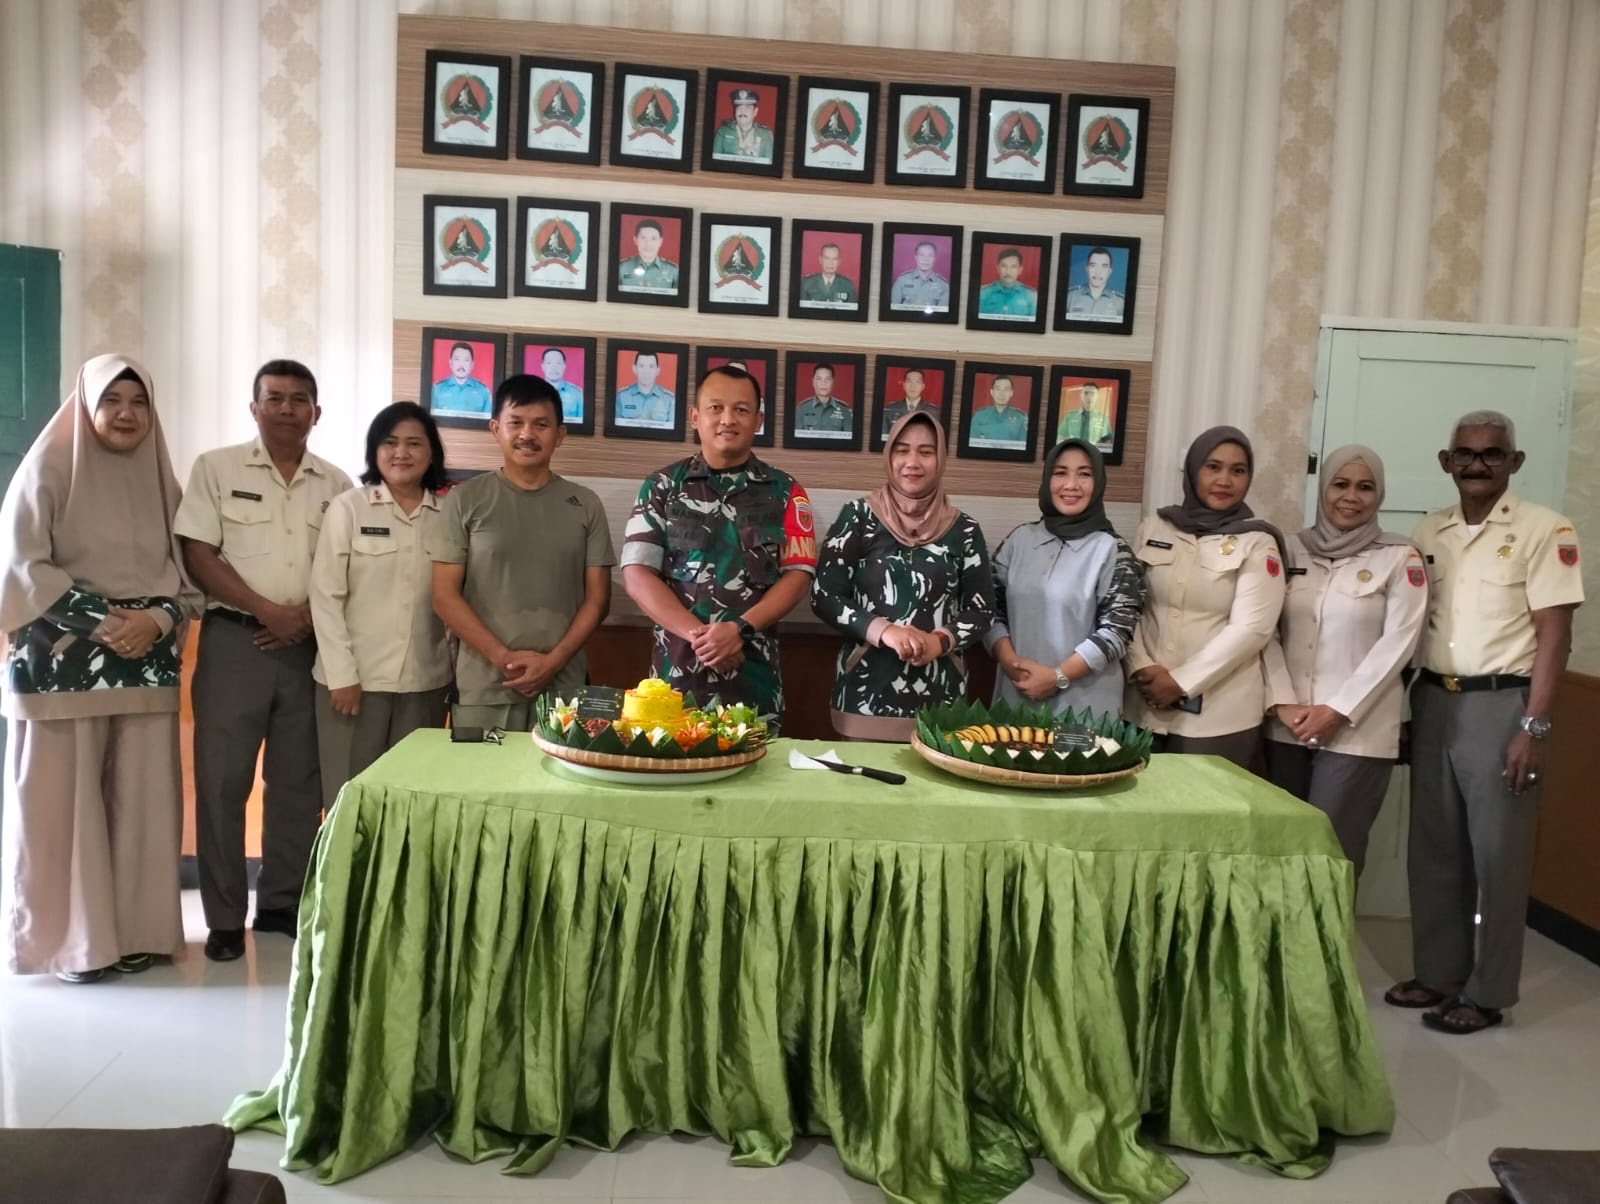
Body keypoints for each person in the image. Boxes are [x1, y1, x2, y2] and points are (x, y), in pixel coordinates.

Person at [0, 355, 203, 982]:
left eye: (139, 402)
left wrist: (157, 619)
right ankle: (73, 944)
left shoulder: (164, 483)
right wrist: (102, 620)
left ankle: (138, 933)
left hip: (144, 664)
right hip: (61, 667)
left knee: (142, 805)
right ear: (86, 404)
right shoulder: (47, 469)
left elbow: (192, 577)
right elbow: (20, 565)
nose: (126, 413)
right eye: (112, 400)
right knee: (64, 808)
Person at [1385, 411, 1583, 1036]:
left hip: (1503, 706)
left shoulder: (1545, 529)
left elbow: (1555, 638)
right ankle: (1439, 974)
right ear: (1446, 462)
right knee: (1434, 849)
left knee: (1498, 855)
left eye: (1492, 454)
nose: (1477, 465)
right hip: (1433, 701)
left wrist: (1534, 726)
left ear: (1514, 462)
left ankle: (1489, 990)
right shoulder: (1428, 531)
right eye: (1465, 454)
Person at [175, 360, 354, 962]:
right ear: (254, 408)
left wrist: (301, 619)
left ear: (316, 413)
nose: (286, 409)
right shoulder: (217, 468)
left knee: (298, 786)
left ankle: (281, 901)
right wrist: (267, 611)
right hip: (236, 643)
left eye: (298, 400)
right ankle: (224, 918)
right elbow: (198, 553)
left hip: (309, 648)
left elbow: (347, 567)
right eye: (273, 398)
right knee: (223, 784)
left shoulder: (337, 484)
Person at [1262, 446, 1427, 875]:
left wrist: (1338, 710)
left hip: (1357, 733)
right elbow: (1265, 630)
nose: (1351, 497)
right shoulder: (1290, 549)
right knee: (1282, 853)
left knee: (1332, 857)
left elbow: (1400, 641)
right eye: (1340, 484)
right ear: (1323, 488)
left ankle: (1332, 925)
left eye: (1365, 487)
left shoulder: (1400, 556)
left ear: (1379, 495)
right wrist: (1283, 702)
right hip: (1288, 727)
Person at [622, 365, 815, 729]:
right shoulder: (661, 487)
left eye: (741, 409)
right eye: (716, 408)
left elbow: (798, 576)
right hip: (674, 683)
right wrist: (703, 640)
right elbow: (637, 575)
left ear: (758, 420)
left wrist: (739, 630)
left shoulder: (786, 491)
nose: (728, 419)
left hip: (754, 682)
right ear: (695, 416)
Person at [432, 375, 614, 732]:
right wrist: (501, 657)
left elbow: (598, 600)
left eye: (541, 425)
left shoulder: (586, 504)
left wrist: (553, 662)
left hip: (565, 688)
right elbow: (443, 595)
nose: (527, 434)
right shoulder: (464, 499)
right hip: (484, 689)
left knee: (561, 770)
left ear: (559, 434)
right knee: (482, 770)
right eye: (515, 423)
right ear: (495, 429)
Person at [811, 412, 994, 740]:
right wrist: (885, 631)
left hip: (941, 697)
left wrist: (938, 641)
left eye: (926, 452)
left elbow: (981, 611)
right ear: (889, 456)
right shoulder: (857, 517)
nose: (912, 462)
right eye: (902, 450)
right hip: (864, 694)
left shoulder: (964, 529)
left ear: (941, 459)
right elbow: (824, 596)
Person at [310, 403, 453, 811]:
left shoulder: (448, 515)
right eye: (390, 442)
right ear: (375, 450)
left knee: (410, 801)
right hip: (355, 683)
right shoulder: (349, 508)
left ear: (431, 453)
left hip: (425, 683)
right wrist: (341, 676)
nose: (401, 453)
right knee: (349, 798)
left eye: (414, 444)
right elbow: (325, 595)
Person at [1126, 426, 1287, 766]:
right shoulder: (1155, 526)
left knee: (1208, 800)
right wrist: (1141, 666)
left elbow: (1251, 630)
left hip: (1220, 714)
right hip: (1144, 703)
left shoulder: (1258, 541)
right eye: (1213, 467)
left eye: (1237, 470)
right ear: (1193, 469)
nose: (1224, 480)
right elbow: (1129, 604)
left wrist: (1180, 682)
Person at [987, 439, 1145, 720]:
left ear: (1099, 483)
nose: (1071, 484)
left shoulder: (1113, 550)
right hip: (1016, 694)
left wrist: (1058, 677)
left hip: (1086, 708)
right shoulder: (1018, 540)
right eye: (1060, 473)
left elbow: (1117, 631)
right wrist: (1010, 662)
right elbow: (989, 608)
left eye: (1085, 474)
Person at [613, 349, 675, 427]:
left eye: (651, 366)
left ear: (657, 371)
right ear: (634, 369)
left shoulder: (670, 399)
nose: (646, 371)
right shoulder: (621, 396)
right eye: (641, 366)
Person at [711, 86, 775, 161]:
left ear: (755, 112)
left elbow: (769, 162)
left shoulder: (765, 135)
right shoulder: (723, 132)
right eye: (739, 107)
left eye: (747, 107)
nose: (742, 111)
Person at [429, 342, 492, 416]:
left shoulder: (483, 391)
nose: (461, 365)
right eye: (457, 359)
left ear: (472, 365)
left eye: (466, 360)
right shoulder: (437, 389)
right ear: (450, 363)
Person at [617, 219, 679, 293]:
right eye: (643, 238)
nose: (648, 244)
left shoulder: (674, 271)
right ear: (635, 240)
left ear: (660, 241)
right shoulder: (621, 267)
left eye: (653, 238)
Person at [1064, 246, 1125, 320]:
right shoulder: (1069, 297)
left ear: (1109, 271)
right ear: (1087, 269)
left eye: (1104, 266)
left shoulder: (1120, 302)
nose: (1098, 272)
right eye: (1093, 265)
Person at [977, 247, 1037, 320]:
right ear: (998, 268)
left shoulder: (1031, 296)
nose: (1008, 272)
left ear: (1020, 270)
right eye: (1004, 266)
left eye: (1013, 267)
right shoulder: (983, 293)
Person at [794, 363, 851, 435]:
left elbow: (849, 440)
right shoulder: (801, 409)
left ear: (833, 382)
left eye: (828, 379)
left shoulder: (845, 411)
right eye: (819, 379)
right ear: (813, 382)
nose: (823, 383)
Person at [890, 241, 949, 310]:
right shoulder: (902, 280)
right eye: (921, 255)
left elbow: (942, 314)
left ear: (935, 258)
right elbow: (893, 310)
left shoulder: (943, 285)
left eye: (930, 255)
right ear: (916, 257)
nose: (926, 259)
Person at [969, 376, 1027, 446]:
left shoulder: (1020, 418)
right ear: (992, 392)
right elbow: (972, 444)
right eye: (998, 389)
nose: (1001, 394)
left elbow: (1023, 446)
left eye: (1006, 389)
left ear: (1011, 393)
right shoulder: (979, 416)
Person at [797, 242, 858, 308]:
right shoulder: (806, 283)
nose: (830, 263)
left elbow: (852, 311)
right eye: (827, 258)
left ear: (839, 261)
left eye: (834, 259)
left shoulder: (848, 285)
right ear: (820, 260)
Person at [881, 368, 936, 435]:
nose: (913, 386)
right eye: (909, 381)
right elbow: (884, 436)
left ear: (923, 386)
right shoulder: (890, 408)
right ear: (904, 385)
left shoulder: (934, 411)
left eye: (917, 382)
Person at [1057, 381, 1113, 447]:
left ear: (1097, 397)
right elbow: (1060, 439)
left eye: (1092, 394)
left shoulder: (1104, 419)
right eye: (1086, 393)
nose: (1089, 397)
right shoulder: (1070, 416)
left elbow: (1108, 443)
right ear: (1081, 396)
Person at [537, 347, 584, 423]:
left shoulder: (576, 393)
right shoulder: (532, 392)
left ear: (564, 366)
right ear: (542, 366)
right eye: (549, 363)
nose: (554, 368)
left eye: (558, 363)